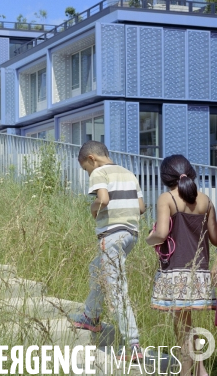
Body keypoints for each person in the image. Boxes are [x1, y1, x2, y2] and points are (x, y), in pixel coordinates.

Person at [68, 140, 145, 361]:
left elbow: (103, 199)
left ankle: (133, 344)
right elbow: (141, 207)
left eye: (85, 168)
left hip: (111, 236)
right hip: (131, 234)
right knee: (97, 268)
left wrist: (93, 208)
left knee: (117, 289)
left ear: (92, 159)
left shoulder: (99, 172)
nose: (87, 173)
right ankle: (91, 317)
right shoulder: (128, 173)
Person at [146, 155, 217, 376]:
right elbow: (215, 238)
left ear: (166, 177)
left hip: (176, 272)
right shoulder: (206, 201)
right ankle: (201, 369)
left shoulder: (167, 199)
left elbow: (161, 233)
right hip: (201, 272)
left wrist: (149, 238)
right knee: (187, 323)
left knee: (183, 327)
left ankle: (188, 372)